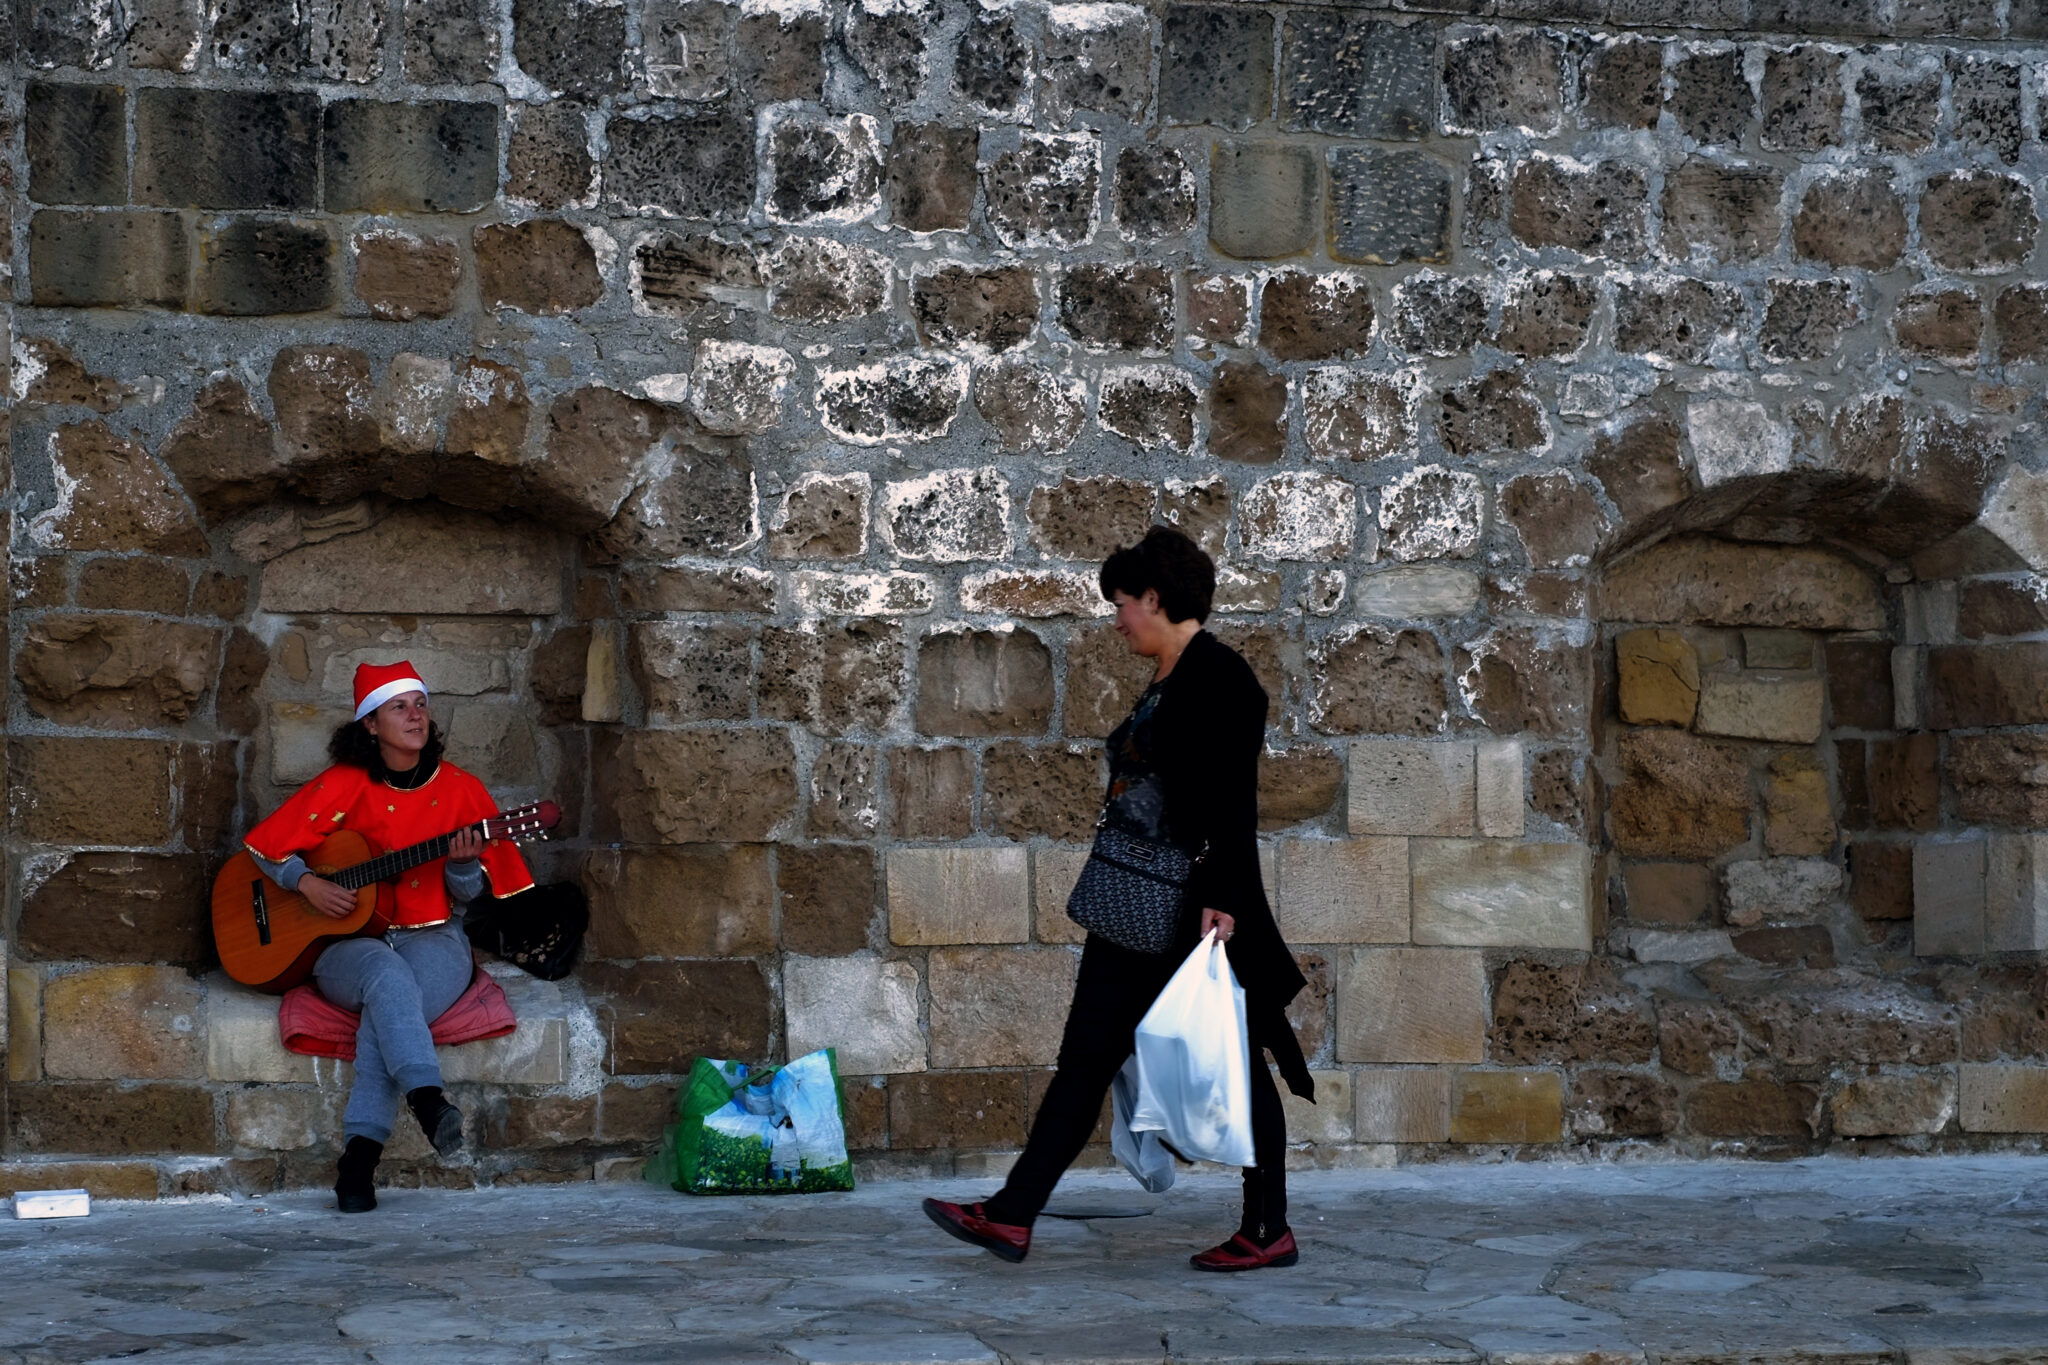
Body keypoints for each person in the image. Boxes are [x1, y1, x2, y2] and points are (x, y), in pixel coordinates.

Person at [922, 526, 1313, 1272]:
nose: (1116, 617)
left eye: (1123, 602)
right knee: (1086, 1057)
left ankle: (1268, 1228)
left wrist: (1224, 898)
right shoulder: (1171, 678)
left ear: (1157, 598)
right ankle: (1011, 1214)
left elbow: (1234, 798)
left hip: (1189, 908)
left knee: (1234, 1058)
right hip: (1135, 902)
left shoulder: (1221, 677)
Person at [242, 661, 534, 1212]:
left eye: (420, 704)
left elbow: (469, 897)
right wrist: (305, 883)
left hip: (435, 940)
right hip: (346, 947)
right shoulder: (343, 784)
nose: (415, 715)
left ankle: (358, 1159)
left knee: (389, 1001)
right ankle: (428, 1100)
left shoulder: (462, 791)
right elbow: (264, 846)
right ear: (370, 725)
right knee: (383, 974)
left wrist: (464, 865)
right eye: (398, 707)